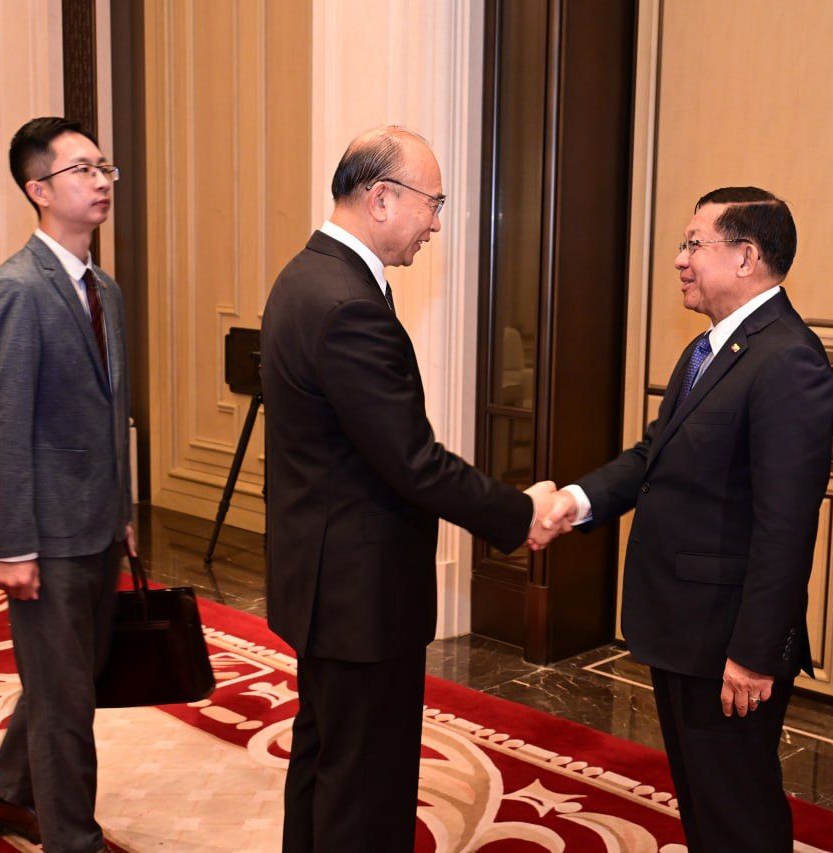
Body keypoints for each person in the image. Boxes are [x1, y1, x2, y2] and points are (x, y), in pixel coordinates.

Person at [261, 126, 557, 852]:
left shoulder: (306, 275)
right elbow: (412, 462)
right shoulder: (348, 303)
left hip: (325, 579)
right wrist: (520, 512)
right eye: (435, 203)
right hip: (362, 592)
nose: (437, 224)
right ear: (382, 197)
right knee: (366, 788)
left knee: (326, 765)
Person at [539, 187, 833, 851]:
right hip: (685, 626)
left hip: (728, 638)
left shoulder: (787, 360)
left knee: (737, 813)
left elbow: (786, 527)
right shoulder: (709, 349)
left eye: (693, 244)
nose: (680, 259)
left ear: (745, 257)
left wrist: (754, 654)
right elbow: (654, 455)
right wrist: (575, 501)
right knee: (705, 802)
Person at [0, 117, 135, 852]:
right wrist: (11, 546)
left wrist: (123, 512)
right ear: (38, 190)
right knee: (67, 701)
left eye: (104, 168)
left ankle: (6, 795)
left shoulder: (105, 289)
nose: (100, 182)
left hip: (97, 523)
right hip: (45, 534)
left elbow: (111, 411)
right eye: (81, 170)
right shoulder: (16, 290)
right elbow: (3, 425)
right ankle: (74, 840)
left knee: (69, 679)